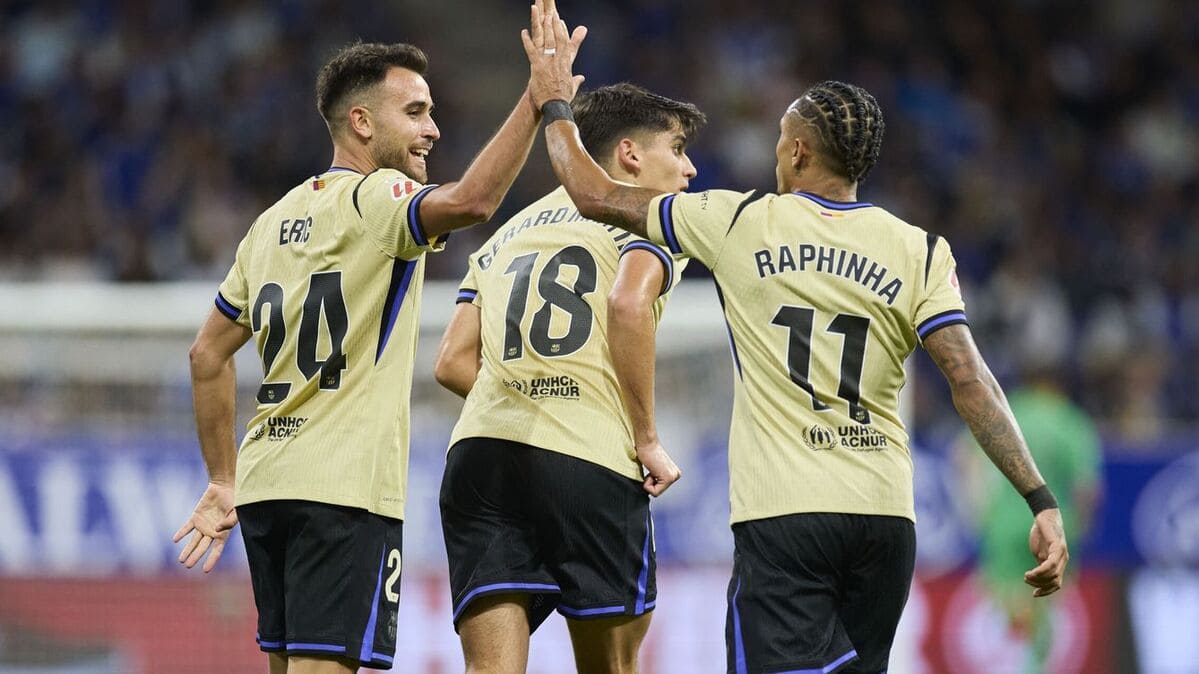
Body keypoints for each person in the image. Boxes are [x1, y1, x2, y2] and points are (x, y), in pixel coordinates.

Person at [525, 35, 1070, 674]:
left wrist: (557, 103)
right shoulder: (919, 249)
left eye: (781, 137)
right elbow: (970, 379)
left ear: (799, 150)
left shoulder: (740, 221)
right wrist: (1039, 499)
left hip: (785, 515)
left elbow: (593, 195)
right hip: (885, 520)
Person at [171, 5, 587, 672]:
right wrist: (540, 101)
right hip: (343, 491)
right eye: (415, 112)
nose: (433, 128)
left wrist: (224, 479)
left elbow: (206, 353)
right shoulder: (378, 197)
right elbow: (474, 202)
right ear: (361, 123)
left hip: (267, 487)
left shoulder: (272, 221)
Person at [433, 81, 704, 674]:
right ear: (631, 155)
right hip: (589, 460)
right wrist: (647, 439)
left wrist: (526, 395)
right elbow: (627, 306)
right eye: (677, 148)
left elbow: (451, 360)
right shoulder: (652, 218)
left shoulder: (509, 230)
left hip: (481, 456)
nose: (688, 167)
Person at [957, 366, 1102, 673]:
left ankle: (1012, 659)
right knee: (1046, 605)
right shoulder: (1071, 421)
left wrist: (979, 512)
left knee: (1008, 600)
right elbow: (1087, 489)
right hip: (1055, 528)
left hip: (1004, 524)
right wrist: (1080, 528)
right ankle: (1033, 665)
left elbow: (965, 459)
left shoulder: (1008, 409)